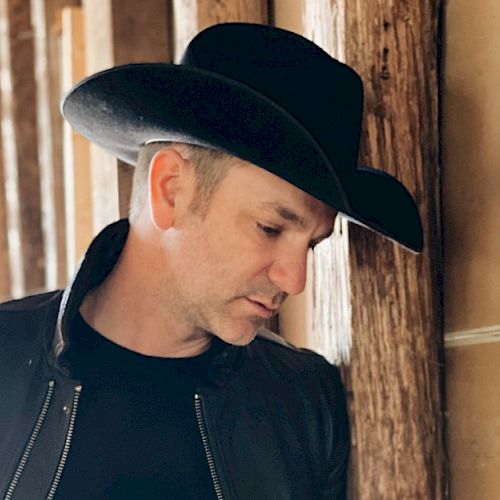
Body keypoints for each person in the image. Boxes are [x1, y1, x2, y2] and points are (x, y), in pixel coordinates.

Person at [0, 23, 422, 500]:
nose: (295, 279)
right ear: (171, 189)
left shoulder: (304, 402)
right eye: (270, 228)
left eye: (312, 244)